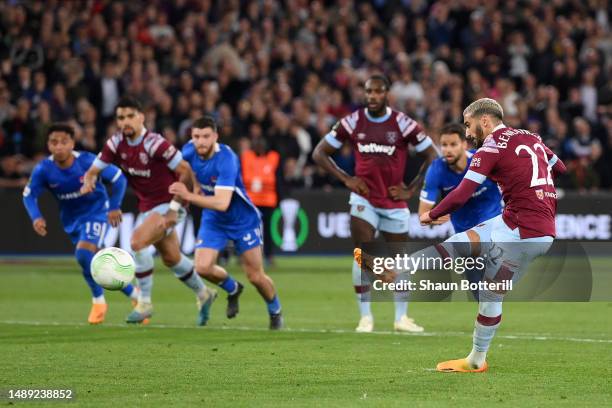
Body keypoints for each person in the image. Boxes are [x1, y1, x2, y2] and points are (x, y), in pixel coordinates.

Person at [420, 98, 567, 372]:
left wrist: (431, 214)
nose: (467, 133)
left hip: (517, 228)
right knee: (490, 294)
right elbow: (560, 168)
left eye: (468, 125)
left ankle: (397, 268)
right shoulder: (530, 136)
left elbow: (461, 193)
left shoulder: (491, 146)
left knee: (462, 243)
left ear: (484, 121)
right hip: (542, 234)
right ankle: (476, 360)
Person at [312, 74, 438, 333]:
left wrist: (412, 189)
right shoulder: (353, 121)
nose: (372, 96)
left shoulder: (402, 124)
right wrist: (347, 179)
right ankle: (365, 317)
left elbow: (432, 155)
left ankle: (401, 318)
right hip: (364, 198)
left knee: (400, 259)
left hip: (393, 201)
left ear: (387, 95)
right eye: (368, 92)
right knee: (361, 253)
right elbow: (319, 153)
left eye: (378, 92)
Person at [81, 96, 215, 326]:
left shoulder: (155, 143)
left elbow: (185, 171)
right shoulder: (116, 143)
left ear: (141, 117)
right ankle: (204, 294)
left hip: (171, 203)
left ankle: (144, 303)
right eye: (120, 117)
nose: (125, 122)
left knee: (137, 242)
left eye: (130, 116)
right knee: (172, 258)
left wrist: (174, 209)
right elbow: (95, 168)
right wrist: (89, 178)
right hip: (148, 207)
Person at [169, 116, 283, 330]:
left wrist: (188, 195)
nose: (200, 141)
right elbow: (185, 171)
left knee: (255, 276)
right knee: (201, 267)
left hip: (242, 219)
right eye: (196, 137)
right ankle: (232, 288)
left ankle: (275, 310)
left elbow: (222, 202)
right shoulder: (189, 151)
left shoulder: (227, 159)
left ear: (215, 137)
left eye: (205, 136)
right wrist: (187, 192)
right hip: (214, 219)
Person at [22, 123, 136, 324]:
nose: (59, 147)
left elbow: (119, 179)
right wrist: (36, 217)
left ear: (72, 143)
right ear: (48, 145)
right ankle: (135, 295)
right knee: (94, 261)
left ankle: (99, 302)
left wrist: (114, 206)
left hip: (96, 212)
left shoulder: (87, 161)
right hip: (71, 220)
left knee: (83, 254)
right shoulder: (44, 169)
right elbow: (29, 195)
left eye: (63, 142)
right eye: (54, 142)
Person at [414, 123, 502, 299]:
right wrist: (434, 217)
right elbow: (423, 214)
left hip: (493, 230)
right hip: (465, 236)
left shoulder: (482, 160)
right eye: (444, 145)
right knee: (479, 292)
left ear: (464, 144)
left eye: (453, 144)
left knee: (489, 286)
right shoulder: (436, 170)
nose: (447, 150)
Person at [241, 138, 280, 265]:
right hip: (251, 200)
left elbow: (274, 178)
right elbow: (246, 176)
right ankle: (245, 255)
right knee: (247, 229)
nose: (259, 148)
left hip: (267, 200)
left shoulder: (273, 157)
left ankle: (268, 255)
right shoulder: (247, 157)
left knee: (267, 230)